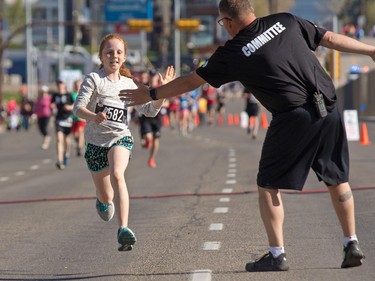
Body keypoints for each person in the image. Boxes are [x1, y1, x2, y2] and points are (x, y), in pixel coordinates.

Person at [120, 0, 375, 271]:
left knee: (267, 184)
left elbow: (191, 81)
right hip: (329, 106)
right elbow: (330, 37)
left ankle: (277, 254)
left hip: (292, 115)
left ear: (228, 22)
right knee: (337, 179)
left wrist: (151, 94)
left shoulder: (233, 51)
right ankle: (351, 242)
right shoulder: (286, 20)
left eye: (222, 23)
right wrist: (370, 50)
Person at [73, 33, 175, 251]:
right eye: (109, 52)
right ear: (101, 56)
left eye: (119, 52)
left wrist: (161, 93)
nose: (114, 56)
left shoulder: (130, 84)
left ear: (125, 57)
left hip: (120, 137)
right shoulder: (94, 80)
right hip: (95, 144)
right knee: (106, 196)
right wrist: (93, 116)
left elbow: (149, 111)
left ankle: (124, 229)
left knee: (118, 174)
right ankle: (102, 200)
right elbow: (78, 108)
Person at [51, 79, 74, 170]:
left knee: (67, 140)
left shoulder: (69, 95)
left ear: (64, 85)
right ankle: (59, 160)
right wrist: (52, 106)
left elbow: (75, 104)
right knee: (59, 139)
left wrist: (69, 107)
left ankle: (66, 154)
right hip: (58, 119)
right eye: (58, 84)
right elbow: (52, 104)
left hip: (68, 119)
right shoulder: (55, 95)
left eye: (61, 84)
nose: (60, 86)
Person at [34, 85, 52, 149]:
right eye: (42, 92)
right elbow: (36, 107)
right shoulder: (39, 99)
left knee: (44, 128)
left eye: (44, 92)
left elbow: (53, 105)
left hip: (46, 115)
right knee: (40, 128)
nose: (43, 93)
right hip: (39, 115)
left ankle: (46, 141)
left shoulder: (49, 98)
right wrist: (34, 114)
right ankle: (46, 137)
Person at [71, 79, 86, 156]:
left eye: (79, 85)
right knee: (75, 134)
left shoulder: (83, 94)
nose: (77, 87)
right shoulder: (72, 94)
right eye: (76, 85)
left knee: (80, 131)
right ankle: (78, 143)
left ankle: (79, 147)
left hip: (81, 117)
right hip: (73, 117)